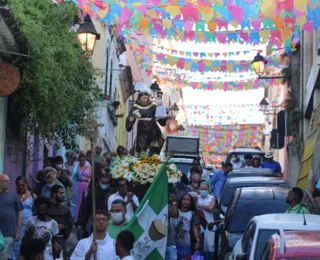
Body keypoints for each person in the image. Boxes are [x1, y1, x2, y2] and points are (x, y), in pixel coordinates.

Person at [12, 176, 37, 260]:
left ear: (27, 184)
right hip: (16, 226)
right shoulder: (13, 196)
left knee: (27, 247)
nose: (21, 187)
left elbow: (37, 210)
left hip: (28, 226)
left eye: (23, 185)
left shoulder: (33, 196)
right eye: (18, 185)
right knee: (15, 247)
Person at [0, 174, 23, 260]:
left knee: (4, 257)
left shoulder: (14, 196)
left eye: (8, 181)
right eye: (5, 181)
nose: (8, 183)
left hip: (8, 233)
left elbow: (19, 214)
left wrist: (17, 232)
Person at [172, 194, 201, 260]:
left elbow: (194, 227)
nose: (185, 201)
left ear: (191, 203)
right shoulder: (175, 211)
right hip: (173, 243)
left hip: (186, 244)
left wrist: (197, 241)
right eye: (184, 199)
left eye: (188, 200)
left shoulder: (192, 213)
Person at [48, 185, 73, 259]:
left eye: (63, 193)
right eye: (60, 193)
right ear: (54, 194)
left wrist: (63, 227)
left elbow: (70, 223)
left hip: (60, 239)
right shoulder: (46, 208)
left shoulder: (65, 209)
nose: (63, 195)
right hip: (47, 240)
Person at [197, 182, 215, 260]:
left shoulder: (212, 198)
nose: (203, 191)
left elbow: (210, 208)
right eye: (202, 189)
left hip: (209, 225)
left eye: (205, 189)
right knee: (200, 245)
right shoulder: (196, 198)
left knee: (209, 247)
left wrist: (200, 206)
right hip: (199, 225)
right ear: (199, 189)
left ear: (208, 190)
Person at [76, 154, 91, 222]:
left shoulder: (89, 167)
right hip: (77, 187)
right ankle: (76, 219)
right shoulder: (76, 167)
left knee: (84, 203)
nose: (82, 161)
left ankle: (82, 220)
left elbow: (91, 177)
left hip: (86, 188)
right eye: (80, 160)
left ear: (85, 160)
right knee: (77, 203)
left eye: (83, 160)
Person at [166, 194, 179, 260]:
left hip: (169, 242)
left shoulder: (166, 206)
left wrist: (174, 202)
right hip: (156, 243)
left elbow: (175, 215)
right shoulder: (151, 206)